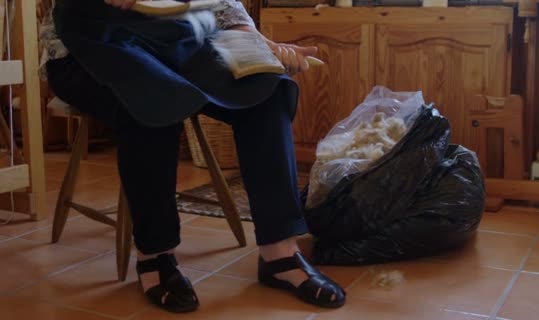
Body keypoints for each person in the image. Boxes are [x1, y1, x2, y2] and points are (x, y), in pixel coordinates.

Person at [40, 0, 346, 313]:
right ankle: (156, 254)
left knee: (269, 90)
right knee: (155, 98)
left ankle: (279, 252)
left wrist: (252, 42)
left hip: (177, 39)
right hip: (87, 44)